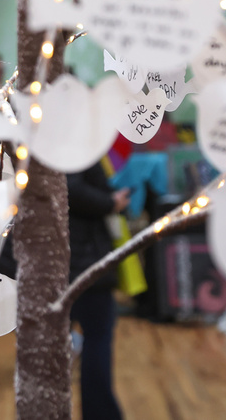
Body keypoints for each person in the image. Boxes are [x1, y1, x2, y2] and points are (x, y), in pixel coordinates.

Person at [68, 162, 130, 420]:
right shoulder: (74, 142)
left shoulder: (49, 139)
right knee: (97, 336)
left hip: (71, 257)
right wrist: (109, 203)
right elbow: (72, 188)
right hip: (83, 259)